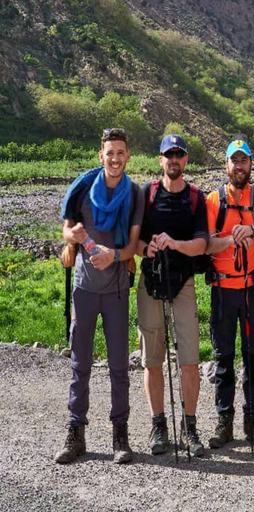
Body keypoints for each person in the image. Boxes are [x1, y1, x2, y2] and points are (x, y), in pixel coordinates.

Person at [55, 128, 143, 464]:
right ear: (101, 155)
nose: (116, 158)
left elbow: (134, 245)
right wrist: (72, 236)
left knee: (120, 366)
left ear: (128, 155)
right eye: (110, 152)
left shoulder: (134, 194)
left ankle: (120, 435)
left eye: (121, 152)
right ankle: (76, 433)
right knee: (80, 364)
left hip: (118, 289)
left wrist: (114, 256)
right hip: (84, 289)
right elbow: (67, 230)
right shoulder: (81, 190)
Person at [137, 134, 208, 457]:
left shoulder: (196, 198)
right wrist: (146, 248)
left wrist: (175, 244)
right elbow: (132, 240)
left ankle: (190, 427)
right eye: (169, 155)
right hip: (151, 280)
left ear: (186, 160)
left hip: (184, 282)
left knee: (189, 361)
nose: (174, 160)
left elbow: (201, 245)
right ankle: (158, 425)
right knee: (153, 360)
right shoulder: (146, 195)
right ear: (160, 160)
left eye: (179, 155)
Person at [205, 139, 254, 449]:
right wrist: (230, 241)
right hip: (222, 290)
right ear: (226, 165)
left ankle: (253, 421)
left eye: (244, 160)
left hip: (252, 291)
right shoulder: (212, 201)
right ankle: (225, 422)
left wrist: (253, 233)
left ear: (251, 164)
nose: (239, 166)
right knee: (223, 360)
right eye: (234, 161)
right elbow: (207, 245)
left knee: (252, 358)